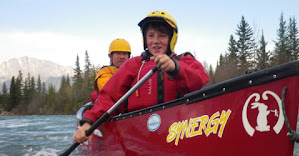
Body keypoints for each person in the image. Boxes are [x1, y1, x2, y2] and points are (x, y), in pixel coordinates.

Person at [74, 10, 209, 143]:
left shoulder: (184, 60)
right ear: (145, 39)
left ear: (171, 39)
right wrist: (88, 122)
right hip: (137, 133)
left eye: (161, 36)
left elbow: (200, 79)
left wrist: (175, 67)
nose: (155, 41)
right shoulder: (133, 64)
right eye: (150, 36)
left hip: (177, 129)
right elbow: (109, 97)